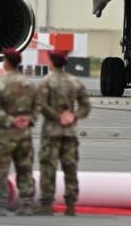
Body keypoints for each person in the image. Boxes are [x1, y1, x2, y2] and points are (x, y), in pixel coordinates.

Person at [34, 50, 91, 216]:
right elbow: (85, 106)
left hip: (52, 131)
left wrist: (57, 117)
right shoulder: (74, 82)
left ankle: (47, 204)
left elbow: (41, 105)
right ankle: (71, 205)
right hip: (70, 132)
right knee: (70, 167)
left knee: (48, 167)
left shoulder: (46, 82)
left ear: (52, 62)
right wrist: (73, 116)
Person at [0, 48, 38, 216]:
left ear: (6, 62)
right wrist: (28, 120)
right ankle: (26, 204)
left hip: (4, 135)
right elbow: (37, 106)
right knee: (24, 169)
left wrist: (10, 121)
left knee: (1, 170)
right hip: (24, 134)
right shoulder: (29, 84)